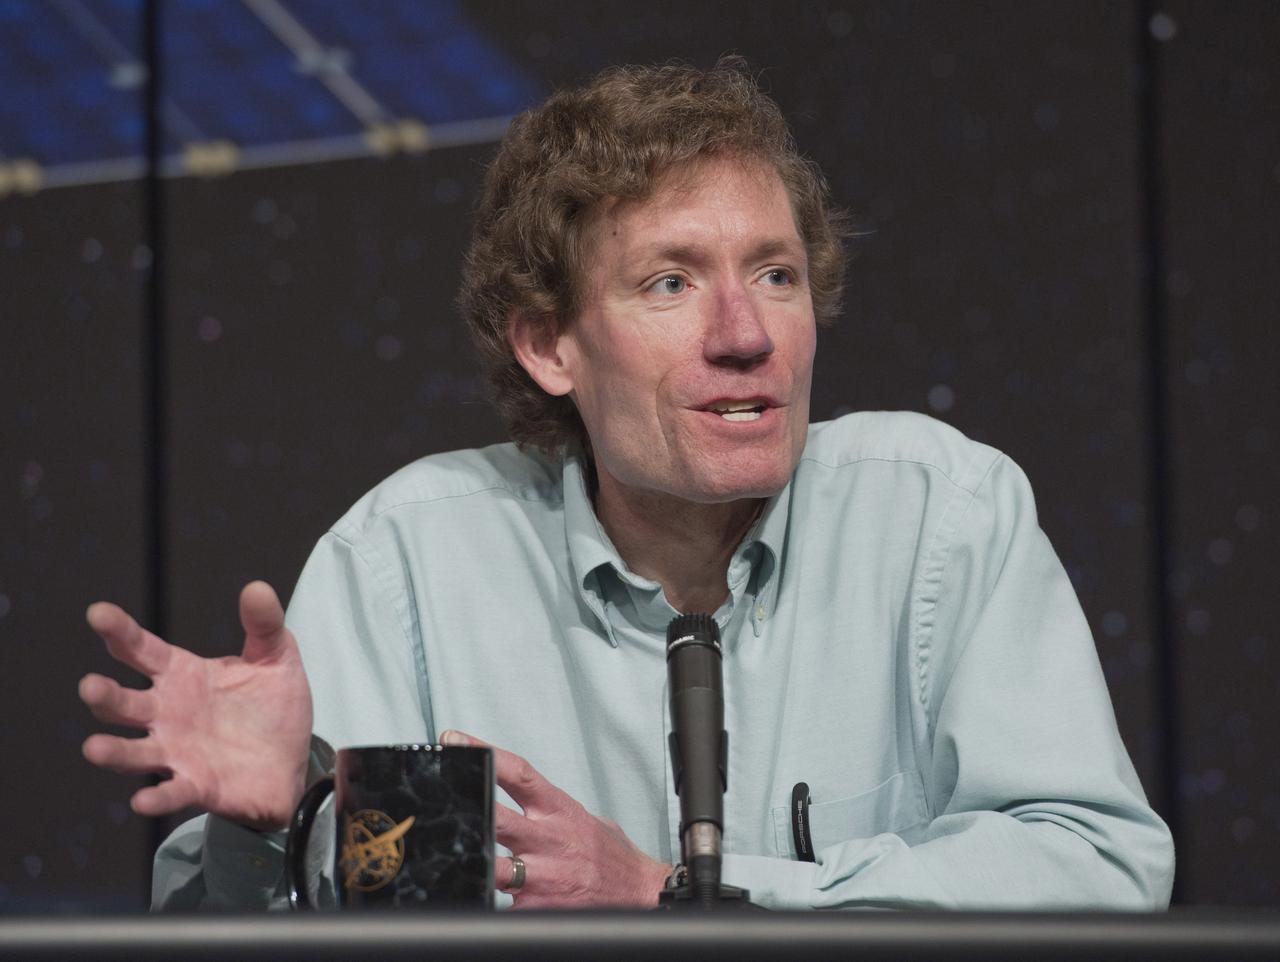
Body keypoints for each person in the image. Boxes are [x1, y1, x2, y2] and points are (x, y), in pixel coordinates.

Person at [79, 60, 1174, 911]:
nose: (744, 335)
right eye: (669, 282)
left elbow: (1097, 866)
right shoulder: (408, 564)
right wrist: (272, 825)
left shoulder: (940, 514)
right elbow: (280, 919)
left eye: (775, 274)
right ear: (548, 345)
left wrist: (682, 895)